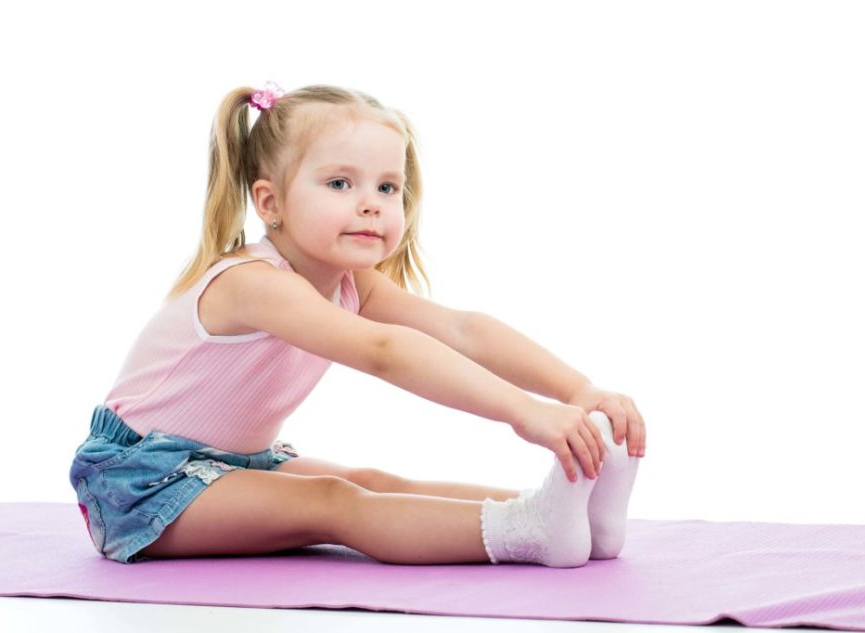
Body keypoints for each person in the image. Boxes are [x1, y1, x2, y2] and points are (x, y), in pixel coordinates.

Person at [68, 81, 647, 568]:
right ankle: (529, 531)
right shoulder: (253, 282)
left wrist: (577, 390)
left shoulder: (351, 282)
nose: (371, 203)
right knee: (335, 502)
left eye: (387, 187)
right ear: (269, 204)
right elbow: (383, 351)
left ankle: (568, 512)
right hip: (138, 481)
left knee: (372, 478)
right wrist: (524, 411)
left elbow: (462, 329)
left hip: (232, 464)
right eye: (340, 183)